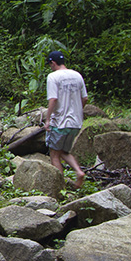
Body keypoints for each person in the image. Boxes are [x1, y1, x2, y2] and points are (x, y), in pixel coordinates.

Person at [44, 50, 88, 188]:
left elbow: (53, 99)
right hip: (75, 122)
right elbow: (85, 98)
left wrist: (47, 119)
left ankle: (59, 186)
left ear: (53, 62)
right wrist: (77, 111)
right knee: (64, 152)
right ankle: (79, 172)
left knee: (54, 154)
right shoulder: (77, 75)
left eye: (50, 64)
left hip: (60, 122)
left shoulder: (53, 76)